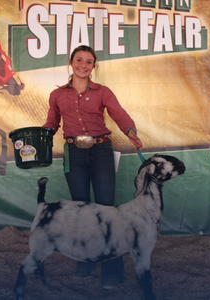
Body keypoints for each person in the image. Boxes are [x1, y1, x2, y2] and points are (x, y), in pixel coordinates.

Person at [43, 45, 143, 289]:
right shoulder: (57, 95)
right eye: (80, 60)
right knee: (81, 209)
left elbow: (119, 113)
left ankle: (112, 266)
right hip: (73, 153)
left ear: (93, 66)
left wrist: (130, 131)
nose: (84, 65)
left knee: (107, 209)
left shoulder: (103, 92)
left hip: (101, 152)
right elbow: (51, 123)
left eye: (89, 62)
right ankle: (85, 261)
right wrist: (40, 137)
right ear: (71, 62)